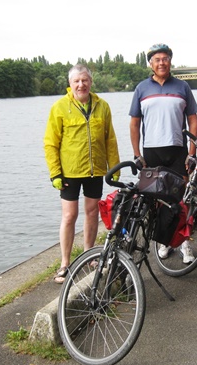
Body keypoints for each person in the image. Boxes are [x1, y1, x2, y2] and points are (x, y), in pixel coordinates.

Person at [44, 64, 120, 283]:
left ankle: (89, 255)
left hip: (95, 170)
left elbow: (110, 139)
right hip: (69, 171)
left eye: (84, 80)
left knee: (92, 212)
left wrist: (113, 167)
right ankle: (65, 263)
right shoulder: (60, 107)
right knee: (69, 216)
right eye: (76, 81)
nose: (81, 84)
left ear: (91, 82)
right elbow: (50, 143)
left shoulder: (102, 106)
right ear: (70, 84)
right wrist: (55, 173)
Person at [129, 43, 197, 264]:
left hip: (177, 150)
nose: (162, 63)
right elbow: (134, 124)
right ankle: (164, 241)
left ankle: (184, 243)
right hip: (152, 152)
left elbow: (193, 120)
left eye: (165, 58)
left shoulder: (182, 87)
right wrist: (136, 154)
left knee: (180, 198)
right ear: (150, 63)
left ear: (170, 61)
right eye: (157, 59)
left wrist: (192, 151)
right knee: (158, 200)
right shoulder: (141, 88)